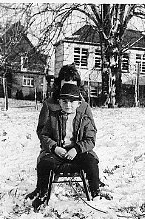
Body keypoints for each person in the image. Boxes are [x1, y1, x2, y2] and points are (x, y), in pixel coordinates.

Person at [25, 64, 105, 201]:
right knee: (45, 163)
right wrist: (54, 147)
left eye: (73, 85)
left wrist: (77, 148)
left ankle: (94, 187)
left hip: (77, 149)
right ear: (59, 84)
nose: (69, 88)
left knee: (90, 161)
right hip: (55, 148)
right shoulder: (50, 104)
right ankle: (41, 190)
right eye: (65, 84)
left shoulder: (83, 106)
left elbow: (91, 132)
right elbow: (42, 131)